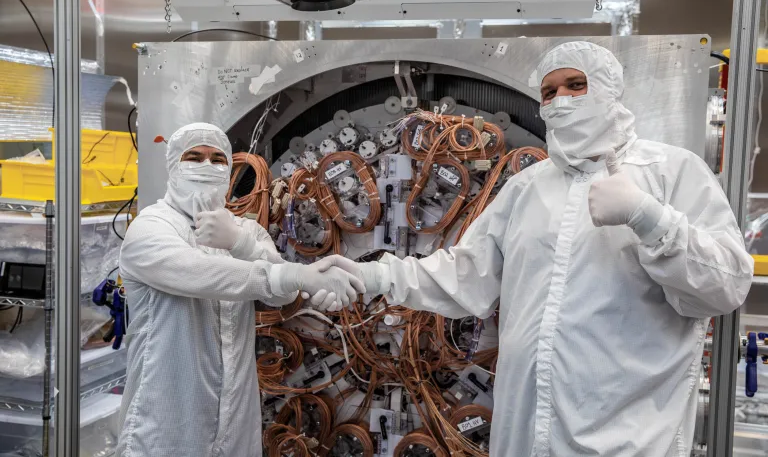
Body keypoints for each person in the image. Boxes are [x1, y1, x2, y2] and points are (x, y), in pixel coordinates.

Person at [339, 42, 754, 456]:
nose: (562, 100)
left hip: (629, 438)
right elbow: (464, 275)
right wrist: (371, 275)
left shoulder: (669, 171)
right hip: (523, 436)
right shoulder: (528, 187)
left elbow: (726, 284)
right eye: (550, 92)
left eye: (577, 84)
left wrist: (647, 216)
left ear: (609, 89)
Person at [116, 123, 364, 457]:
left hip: (236, 420)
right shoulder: (151, 227)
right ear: (174, 165)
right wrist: (296, 275)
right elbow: (200, 273)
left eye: (218, 159)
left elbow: (282, 296)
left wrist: (239, 240)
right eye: (194, 157)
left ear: (229, 171)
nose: (207, 166)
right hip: (166, 423)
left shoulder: (245, 230)